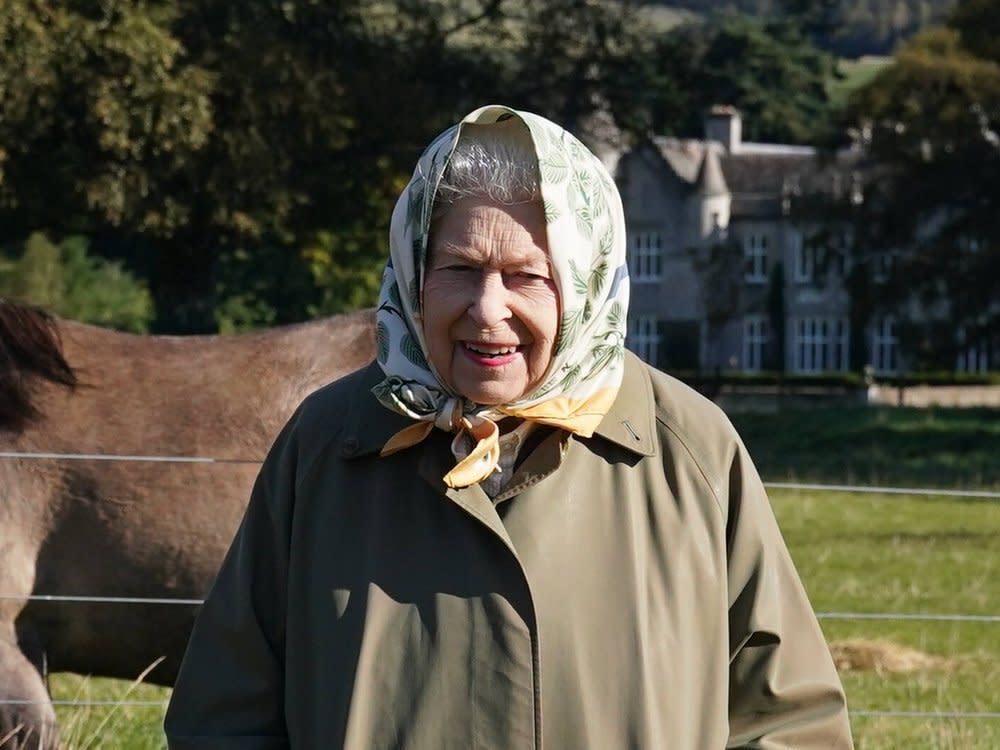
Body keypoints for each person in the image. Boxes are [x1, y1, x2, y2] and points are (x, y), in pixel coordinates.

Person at [164, 105, 853, 749]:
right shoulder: (328, 442)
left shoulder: (689, 449)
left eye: (528, 277)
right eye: (460, 269)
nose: (487, 309)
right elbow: (224, 716)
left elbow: (789, 720)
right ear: (413, 273)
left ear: (586, 285)